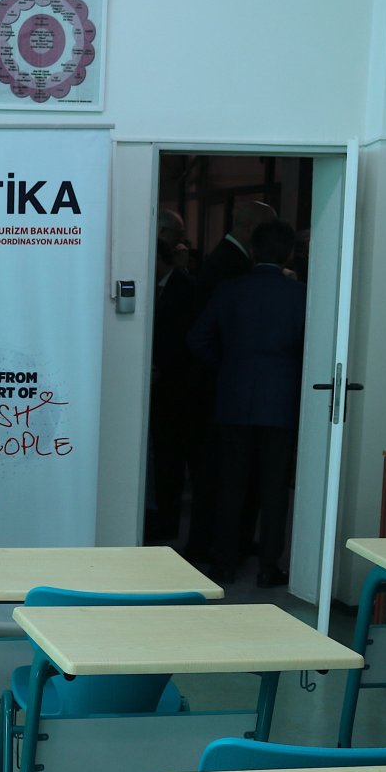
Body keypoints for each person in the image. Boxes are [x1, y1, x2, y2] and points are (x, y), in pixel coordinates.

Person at [187, 220, 306, 586]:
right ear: (289, 253)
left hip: (234, 398)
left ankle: (223, 563)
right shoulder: (301, 295)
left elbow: (197, 340)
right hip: (281, 402)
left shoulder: (230, 290)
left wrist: (228, 367)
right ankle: (269, 566)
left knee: (231, 485)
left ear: (252, 251)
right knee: (274, 489)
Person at [181, 199, 275, 564]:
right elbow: (206, 334)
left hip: (214, 385)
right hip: (218, 387)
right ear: (251, 228)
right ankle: (214, 546)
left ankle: (210, 544)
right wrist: (229, 367)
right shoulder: (231, 267)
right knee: (219, 473)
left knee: (216, 471)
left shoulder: (223, 260)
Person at [145, 209, 200, 542]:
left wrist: (161, 371)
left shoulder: (186, 289)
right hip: (152, 390)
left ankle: (165, 530)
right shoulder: (158, 288)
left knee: (169, 464)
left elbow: (189, 341)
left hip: (175, 393)